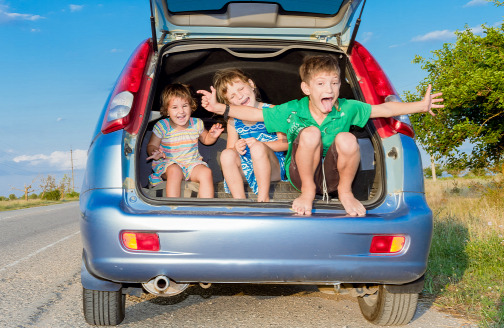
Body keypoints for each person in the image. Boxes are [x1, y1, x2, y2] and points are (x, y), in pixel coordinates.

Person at [198, 55, 443, 216]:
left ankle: (346, 193)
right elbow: (253, 115)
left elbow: (385, 109)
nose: (329, 89)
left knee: (348, 139)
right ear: (306, 89)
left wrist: (419, 105)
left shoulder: (349, 107)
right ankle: (307, 193)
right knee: (311, 132)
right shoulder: (293, 109)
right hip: (301, 174)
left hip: (334, 175)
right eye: (321, 84)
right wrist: (219, 108)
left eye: (334, 84)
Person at [212, 68, 287, 202]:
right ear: (229, 104)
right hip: (248, 168)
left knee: (258, 148)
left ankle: (263, 199)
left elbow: (285, 143)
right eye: (232, 96)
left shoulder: (272, 111)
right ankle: (239, 202)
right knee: (226, 154)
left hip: (272, 168)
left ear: (251, 84)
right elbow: (230, 149)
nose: (239, 96)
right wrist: (237, 147)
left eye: (240, 89)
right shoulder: (233, 120)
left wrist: (261, 145)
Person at [147, 83, 224, 198]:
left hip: (191, 164)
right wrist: (154, 152)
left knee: (206, 173)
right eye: (175, 107)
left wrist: (212, 136)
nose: (181, 111)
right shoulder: (162, 125)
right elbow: (151, 145)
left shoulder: (196, 123)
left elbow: (206, 140)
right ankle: (173, 206)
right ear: (166, 110)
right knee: (175, 171)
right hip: (168, 165)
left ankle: (205, 209)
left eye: (185, 106)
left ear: (191, 106)